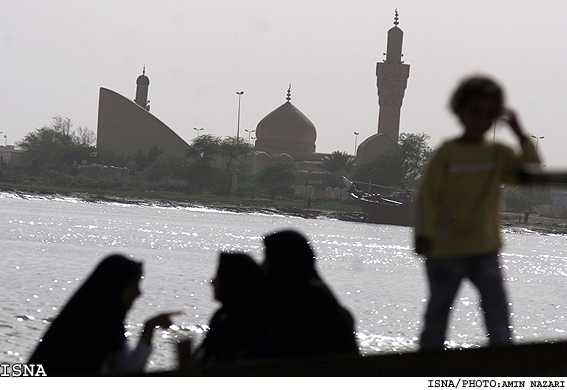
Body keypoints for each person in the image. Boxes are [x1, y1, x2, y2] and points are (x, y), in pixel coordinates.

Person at [414, 75, 541, 351]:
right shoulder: (447, 155)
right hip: (445, 248)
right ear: (459, 111)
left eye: (488, 114)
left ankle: (503, 364)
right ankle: (425, 366)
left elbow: (532, 166)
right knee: (438, 312)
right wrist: (423, 234)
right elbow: (427, 198)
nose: (481, 120)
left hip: (484, 248)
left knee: (496, 310)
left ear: (496, 116)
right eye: (475, 112)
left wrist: (520, 133)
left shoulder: (497, 154)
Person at [28, 254, 178, 376]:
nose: (139, 293)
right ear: (115, 286)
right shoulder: (88, 330)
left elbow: (127, 371)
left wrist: (149, 328)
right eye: (134, 285)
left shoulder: (108, 327)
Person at [254, 229, 359, 358]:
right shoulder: (312, 291)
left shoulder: (304, 299)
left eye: (267, 258)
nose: (262, 265)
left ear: (282, 261)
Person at [192, 252, 264, 364]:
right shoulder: (222, 315)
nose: (212, 282)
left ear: (231, 281)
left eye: (219, 276)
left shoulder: (240, 324)